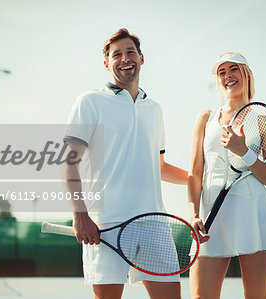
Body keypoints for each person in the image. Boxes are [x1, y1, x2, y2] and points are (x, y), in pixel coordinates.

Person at [62, 28, 188, 299]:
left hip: (154, 223)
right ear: (107, 64)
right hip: (106, 223)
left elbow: (160, 167)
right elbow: (69, 163)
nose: (124, 58)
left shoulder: (154, 109)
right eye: (116, 54)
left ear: (142, 58)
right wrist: (80, 215)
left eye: (130, 52)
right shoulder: (90, 102)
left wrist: (199, 179)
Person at [188, 52, 266, 299]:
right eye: (222, 72)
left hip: (254, 215)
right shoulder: (205, 118)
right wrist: (194, 215)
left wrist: (244, 152)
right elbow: (195, 173)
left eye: (233, 69)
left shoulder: (264, 121)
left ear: (246, 74)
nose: (228, 76)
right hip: (210, 219)